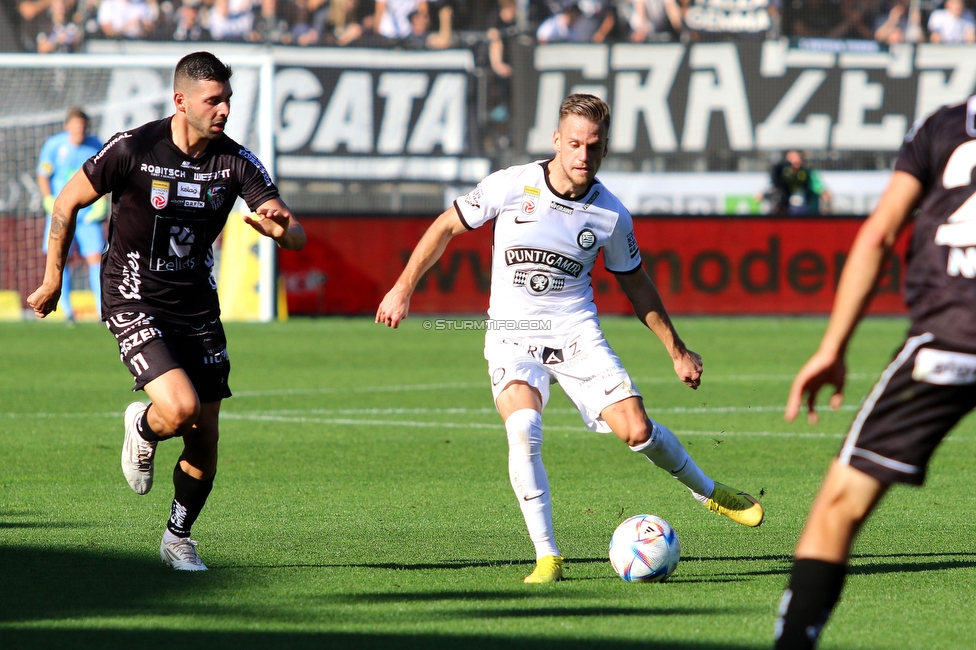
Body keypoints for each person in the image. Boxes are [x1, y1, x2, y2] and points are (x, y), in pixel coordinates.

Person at [376, 93, 764, 584]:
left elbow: (636, 282)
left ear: (605, 150)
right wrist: (402, 289)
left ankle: (708, 491)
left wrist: (677, 350)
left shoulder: (611, 214)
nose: (583, 156)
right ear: (557, 140)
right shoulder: (511, 184)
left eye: (594, 147)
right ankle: (548, 556)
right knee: (522, 429)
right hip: (511, 333)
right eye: (574, 143)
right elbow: (446, 226)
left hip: (574, 329)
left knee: (636, 431)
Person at [27, 51, 306, 571]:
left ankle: (178, 536)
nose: (223, 109)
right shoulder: (134, 148)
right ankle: (147, 427)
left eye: (227, 99)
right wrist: (52, 280)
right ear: (181, 101)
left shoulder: (237, 162)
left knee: (205, 433)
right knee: (179, 410)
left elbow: (295, 232)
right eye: (213, 100)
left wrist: (281, 229)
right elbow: (66, 203)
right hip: (133, 296)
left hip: (197, 308)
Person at [774, 95, 976, 648]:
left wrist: (833, 347)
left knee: (839, 506)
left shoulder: (944, 126)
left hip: (951, 338)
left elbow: (879, 234)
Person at [36, 107, 106, 322]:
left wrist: (101, 202)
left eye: (82, 126)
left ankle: (101, 309)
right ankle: (65, 311)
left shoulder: (96, 145)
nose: (79, 130)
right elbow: (43, 175)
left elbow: (106, 176)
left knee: (95, 256)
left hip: (87, 213)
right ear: (67, 126)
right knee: (59, 257)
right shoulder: (54, 146)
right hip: (61, 212)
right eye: (75, 125)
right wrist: (48, 199)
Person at [765, 150, 831, 216]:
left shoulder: (808, 173)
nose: (793, 164)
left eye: (796, 161)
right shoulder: (782, 176)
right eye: (790, 161)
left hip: (807, 211)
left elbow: (820, 188)